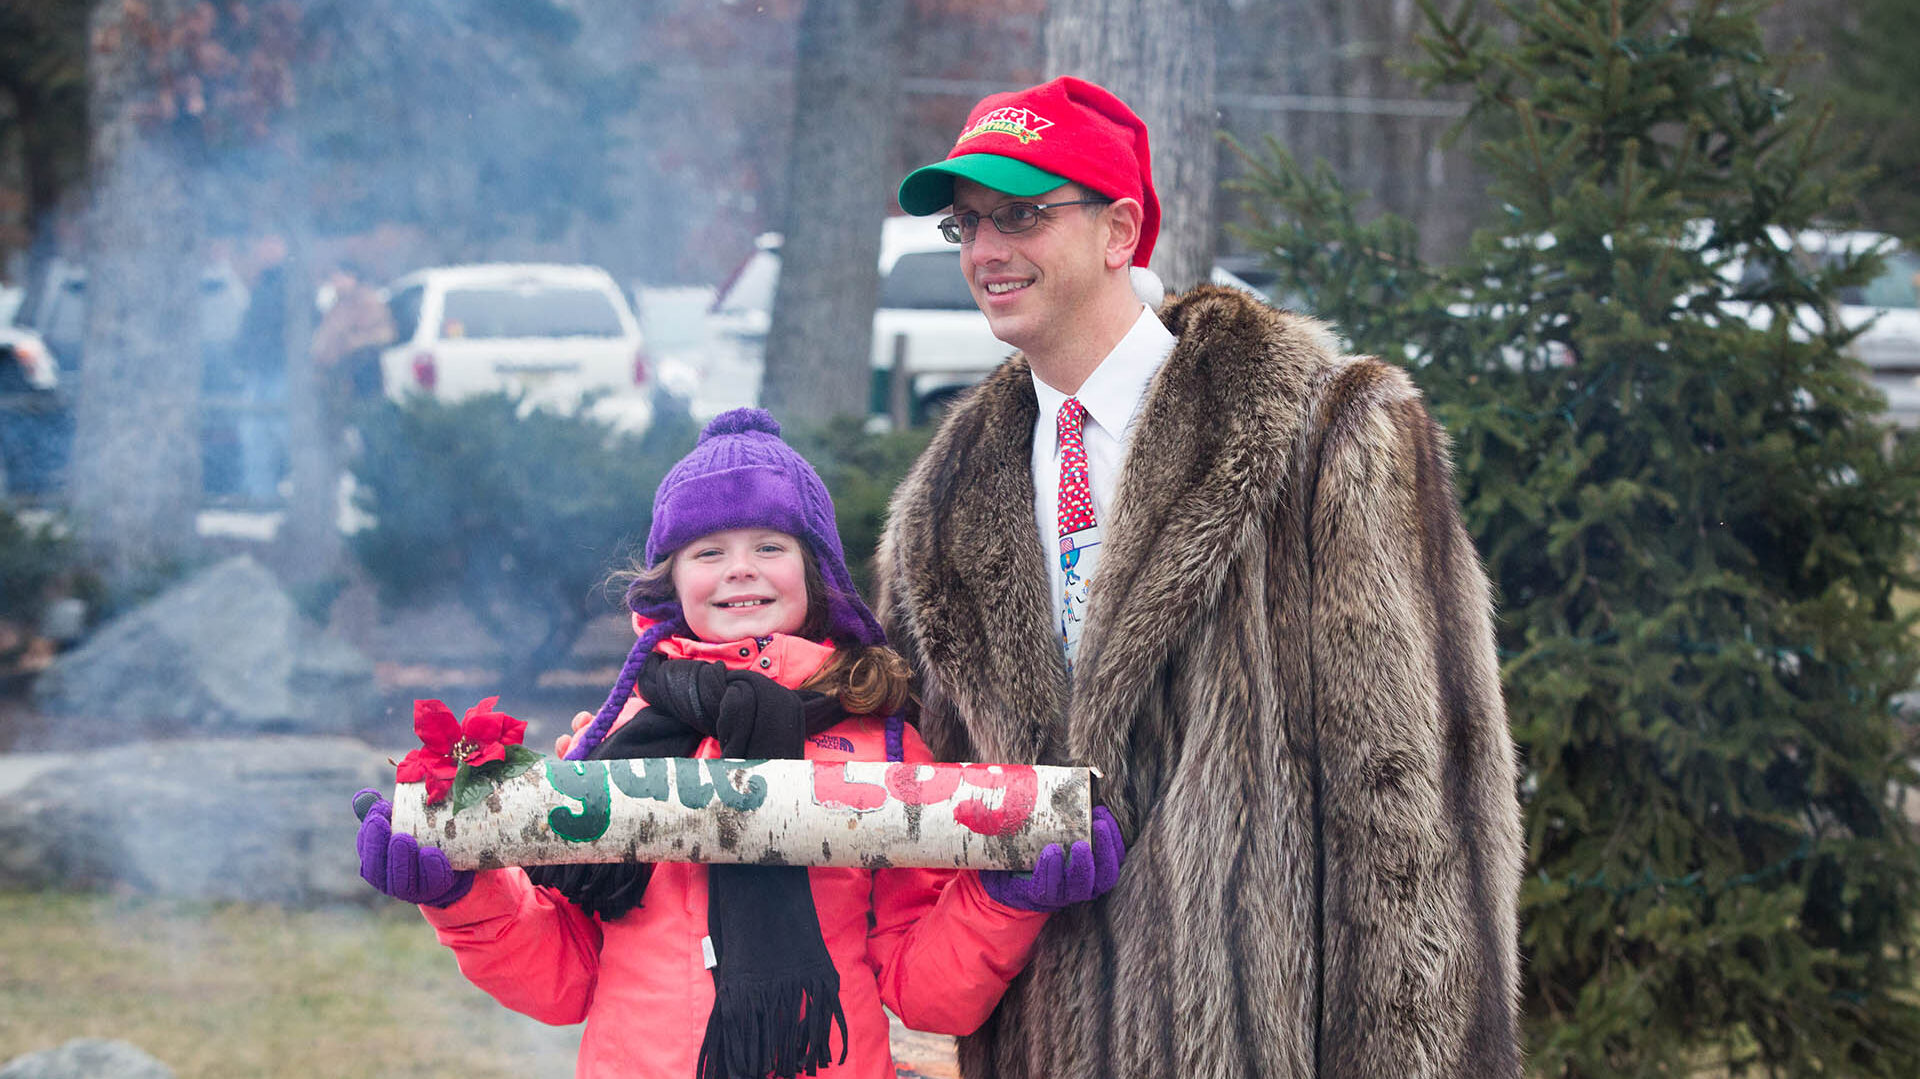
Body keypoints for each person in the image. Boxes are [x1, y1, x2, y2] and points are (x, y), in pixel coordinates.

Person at [875, 76, 1524, 1078]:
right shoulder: (938, 509)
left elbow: (1407, 810)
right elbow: (902, 785)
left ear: (1118, 229)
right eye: (967, 224)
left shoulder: (1329, 434)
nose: (985, 252)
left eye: (1021, 215)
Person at [351, 407, 1124, 1079]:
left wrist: (1006, 898)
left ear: (816, 571)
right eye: (708, 551)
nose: (739, 572)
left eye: (769, 545)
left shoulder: (879, 740)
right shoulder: (614, 738)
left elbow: (926, 989)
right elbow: (563, 977)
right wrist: (463, 897)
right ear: (672, 578)